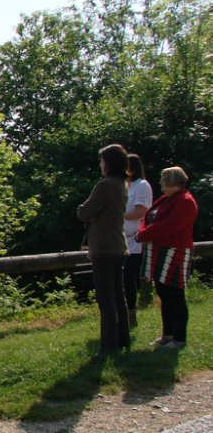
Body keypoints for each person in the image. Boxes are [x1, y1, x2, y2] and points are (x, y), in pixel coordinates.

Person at [137, 166, 198, 349]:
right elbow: (147, 219)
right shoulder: (166, 199)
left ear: (172, 181)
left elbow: (170, 225)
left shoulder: (186, 201)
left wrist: (144, 234)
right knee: (163, 292)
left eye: (163, 180)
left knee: (175, 295)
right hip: (159, 250)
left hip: (175, 250)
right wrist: (143, 232)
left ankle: (180, 338)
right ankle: (167, 334)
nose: (161, 184)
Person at [77, 144, 130, 354]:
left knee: (106, 298)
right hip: (118, 245)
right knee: (118, 297)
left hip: (104, 248)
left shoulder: (105, 185)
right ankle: (122, 339)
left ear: (108, 162)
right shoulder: (122, 184)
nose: (100, 164)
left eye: (102, 160)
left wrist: (82, 209)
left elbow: (84, 212)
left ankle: (109, 345)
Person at [123, 153, 153, 328]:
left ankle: (131, 312)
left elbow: (140, 212)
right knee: (120, 278)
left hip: (134, 240)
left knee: (128, 278)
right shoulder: (123, 186)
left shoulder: (141, 186)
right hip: (120, 239)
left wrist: (117, 215)